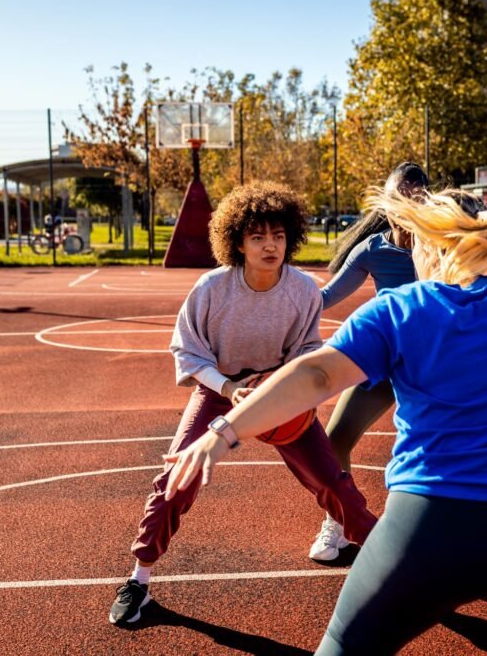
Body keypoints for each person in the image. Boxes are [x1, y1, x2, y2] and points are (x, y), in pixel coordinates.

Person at [163, 187, 487, 655]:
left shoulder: (401, 310)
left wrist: (223, 431)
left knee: (344, 645)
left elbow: (315, 375)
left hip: (440, 523)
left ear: (425, 244)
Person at [108, 180, 379, 626]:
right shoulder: (212, 288)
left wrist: (286, 384)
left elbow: (309, 350)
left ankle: (390, 563)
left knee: (332, 481)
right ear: (237, 241)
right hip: (219, 390)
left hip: (279, 390)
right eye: (258, 237)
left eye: (278, 235)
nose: (270, 245)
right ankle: (139, 580)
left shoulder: (303, 290)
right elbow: (188, 351)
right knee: (177, 475)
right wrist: (230, 389)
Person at [310, 163, 487, 562]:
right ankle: (340, 523)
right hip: (388, 357)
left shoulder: (445, 246)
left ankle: (478, 534)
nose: (410, 204)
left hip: (439, 362)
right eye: (401, 197)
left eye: (418, 197)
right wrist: (277, 296)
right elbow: (324, 298)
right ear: (387, 204)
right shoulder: (373, 251)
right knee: (334, 442)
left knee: (458, 446)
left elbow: (485, 313)